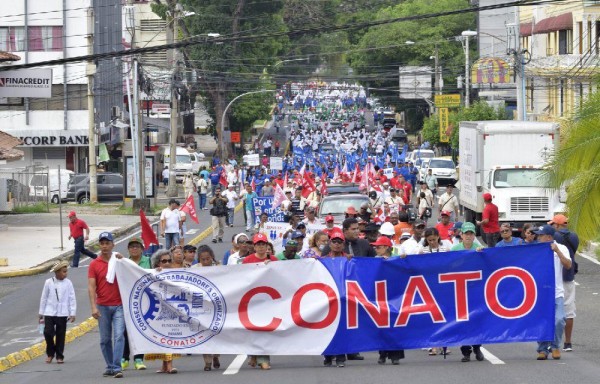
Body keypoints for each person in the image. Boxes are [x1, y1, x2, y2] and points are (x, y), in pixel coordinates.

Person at [87, 232, 125, 378]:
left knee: (119, 336)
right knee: (104, 339)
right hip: (102, 305)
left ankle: (116, 367)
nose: (104, 246)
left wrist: (124, 260)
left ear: (112, 245)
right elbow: (91, 287)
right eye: (102, 243)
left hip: (118, 305)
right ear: (99, 245)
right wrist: (93, 307)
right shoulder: (94, 264)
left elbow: (132, 271)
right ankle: (110, 365)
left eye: (107, 243)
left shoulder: (119, 260)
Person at [533, 225, 572, 360]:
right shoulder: (535, 249)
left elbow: (568, 265)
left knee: (560, 319)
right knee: (542, 321)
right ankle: (543, 349)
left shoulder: (562, 248)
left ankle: (555, 346)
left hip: (556, 292)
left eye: (540, 236)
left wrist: (557, 252)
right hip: (540, 292)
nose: (538, 238)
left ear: (549, 237)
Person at [449, 222, 485, 362]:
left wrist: (482, 255)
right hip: (460, 291)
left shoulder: (480, 248)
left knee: (476, 319)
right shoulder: (455, 249)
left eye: (471, 233)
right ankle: (465, 351)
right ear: (461, 235)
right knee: (462, 321)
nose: (468, 236)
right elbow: (450, 266)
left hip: (476, 290)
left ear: (474, 235)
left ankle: (477, 347)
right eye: (466, 233)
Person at [242, 233, 278, 370]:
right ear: (254, 247)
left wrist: (270, 267)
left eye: (263, 244)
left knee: (266, 328)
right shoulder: (247, 261)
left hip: (269, 300)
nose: (261, 247)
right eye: (258, 245)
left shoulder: (274, 260)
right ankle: (253, 354)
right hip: (251, 300)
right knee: (252, 328)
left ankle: (264, 358)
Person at [145, 250, 180, 374]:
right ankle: (164, 365)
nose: (167, 263)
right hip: (158, 312)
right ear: (157, 263)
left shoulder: (177, 274)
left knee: (170, 336)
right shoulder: (153, 275)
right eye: (164, 261)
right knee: (161, 338)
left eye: (169, 260)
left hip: (173, 311)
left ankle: (170, 365)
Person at [549, 214, 579, 352]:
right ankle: (568, 342)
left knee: (555, 310)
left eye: (552, 224)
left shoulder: (555, 237)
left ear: (557, 225)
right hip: (569, 276)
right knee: (569, 311)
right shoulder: (574, 236)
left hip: (557, 277)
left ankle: (553, 340)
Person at [39, 260, 76, 364]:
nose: (66, 273)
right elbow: (44, 298)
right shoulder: (48, 282)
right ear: (57, 272)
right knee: (48, 332)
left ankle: (59, 355)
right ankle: (50, 353)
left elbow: (72, 298)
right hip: (49, 312)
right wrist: (41, 313)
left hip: (62, 313)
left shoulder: (68, 283)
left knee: (60, 334)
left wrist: (72, 313)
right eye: (64, 272)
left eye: (66, 271)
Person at [321, 229, 349, 367]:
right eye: (334, 241)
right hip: (328, 299)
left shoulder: (349, 259)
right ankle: (328, 355)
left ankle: (340, 357)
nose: (337, 244)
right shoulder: (323, 260)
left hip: (343, 300)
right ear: (330, 243)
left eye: (340, 242)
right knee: (327, 328)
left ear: (343, 245)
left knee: (341, 329)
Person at [121, 238, 149, 371]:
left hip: (144, 301)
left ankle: (139, 358)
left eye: (137, 246)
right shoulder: (123, 263)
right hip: (127, 300)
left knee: (140, 330)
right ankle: (124, 357)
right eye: (131, 247)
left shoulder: (148, 261)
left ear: (142, 248)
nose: (134, 249)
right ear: (128, 249)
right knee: (125, 331)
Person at [194, 245, 221, 370]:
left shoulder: (219, 268)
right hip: (201, 306)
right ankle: (207, 362)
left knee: (216, 333)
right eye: (203, 259)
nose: (205, 262)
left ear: (212, 257)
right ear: (199, 259)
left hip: (216, 306)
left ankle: (216, 355)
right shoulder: (194, 269)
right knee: (203, 333)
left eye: (208, 259)